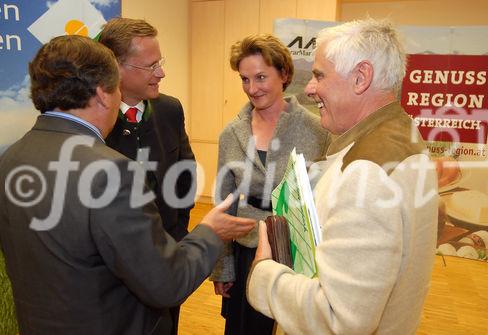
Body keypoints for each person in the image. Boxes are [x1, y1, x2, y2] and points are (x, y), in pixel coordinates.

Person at [0, 35, 255, 335]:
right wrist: (211, 231)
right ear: (102, 95)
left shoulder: (12, 158)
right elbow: (166, 283)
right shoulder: (112, 171)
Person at [247, 19, 439, 334]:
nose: (309, 88)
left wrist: (264, 275)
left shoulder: (368, 174)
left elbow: (337, 318)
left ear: (361, 78)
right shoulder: (402, 135)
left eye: (320, 75)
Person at [210, 34, 330, 335]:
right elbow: (224, 203)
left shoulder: (317, 130)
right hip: (248, 248)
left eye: (261, 77)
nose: (252, 88)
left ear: (284, 74)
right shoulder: (231, 134)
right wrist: (223, 267)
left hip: (300, 252)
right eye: (245, 79)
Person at [98, 18, 196, 334]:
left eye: (160, 62)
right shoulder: (93, 120)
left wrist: (179, 231)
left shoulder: (170, 109)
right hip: (114, 272)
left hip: (168, 255)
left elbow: (186, 174)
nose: (162, 73)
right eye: (151, 65)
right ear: (116, 68)